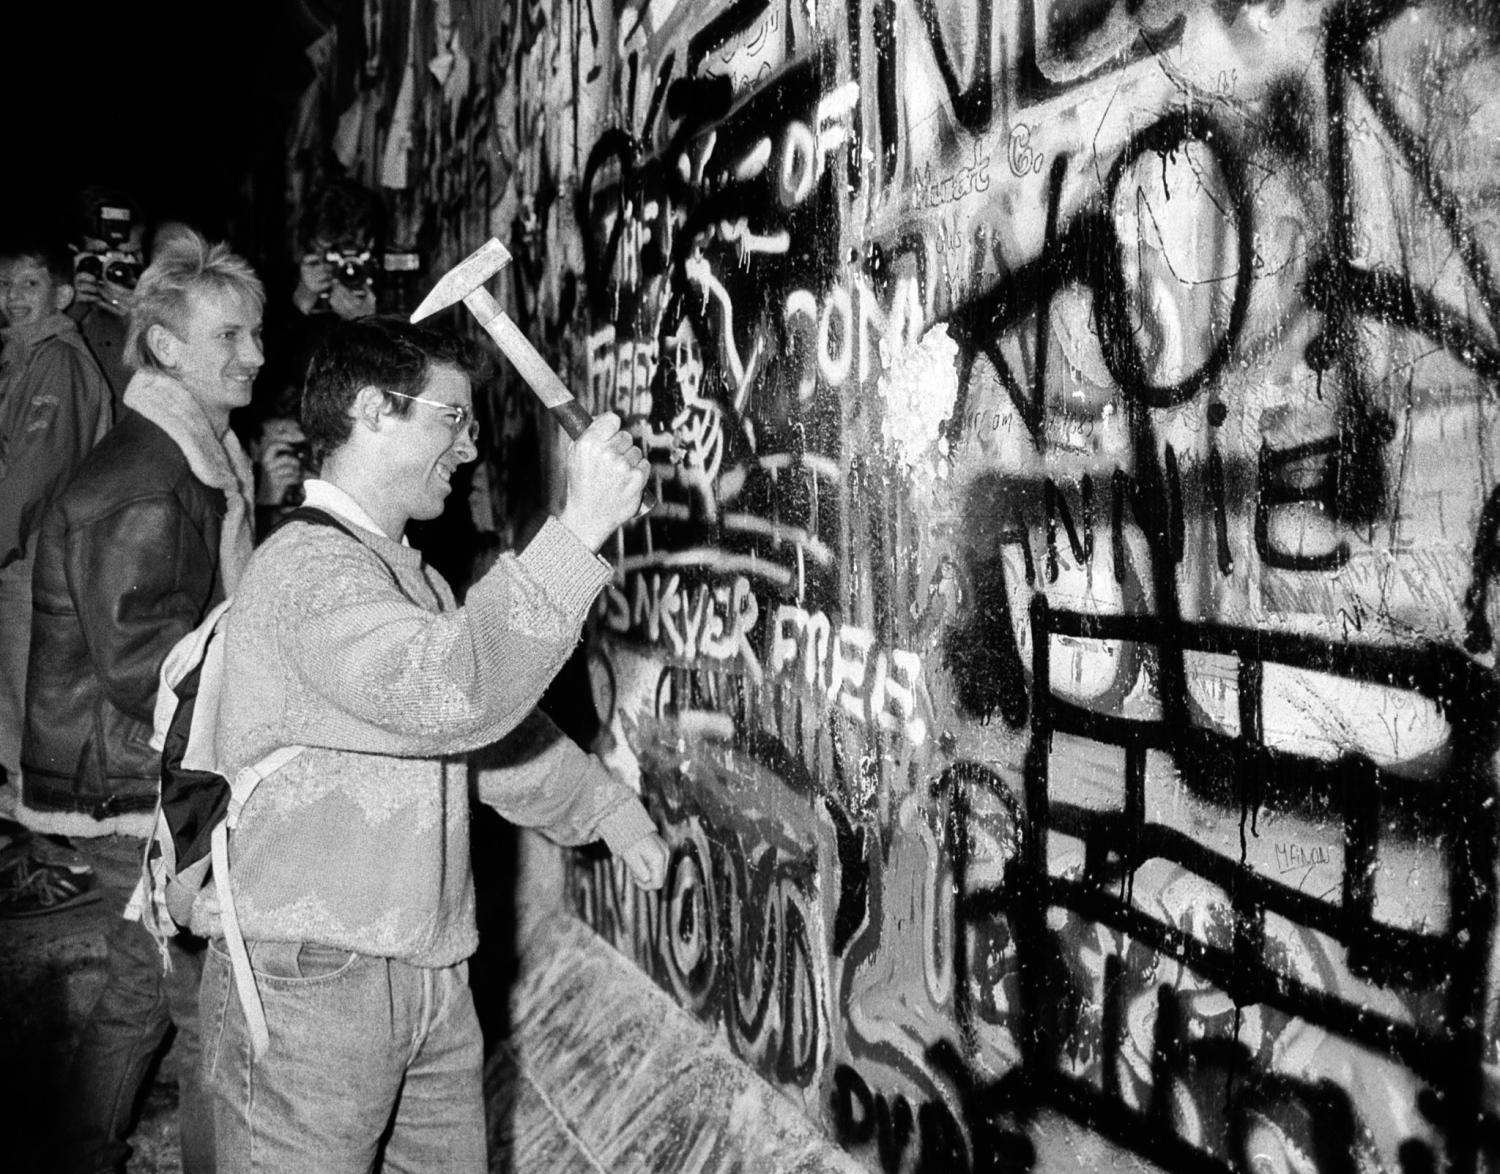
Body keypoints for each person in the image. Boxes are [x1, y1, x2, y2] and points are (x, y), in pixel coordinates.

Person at [200, 315, 668, 1172]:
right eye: (452, 419)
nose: (469, 449)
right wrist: (579, 530)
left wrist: (602, 807)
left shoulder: (408, 573)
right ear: (376, 410)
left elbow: (479, 739)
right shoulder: (306, 573)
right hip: (313, 986)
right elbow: (453, 693)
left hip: (429, 974)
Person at [20, 229, 265, 1173]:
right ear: (165, 348)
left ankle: (79, 1152)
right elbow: (144, 670)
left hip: (137, 769)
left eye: (254, 334)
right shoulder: (150, 480)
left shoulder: (184, 455)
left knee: (142, 983)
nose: (254, 355)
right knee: (206, 1003)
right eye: (231, 338)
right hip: (138, 780)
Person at [0, 232, 114, 907]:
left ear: (65, 294)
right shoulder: (24, 359)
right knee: (15, 714)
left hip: (36, 566)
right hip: (23, 564)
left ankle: (63, 864)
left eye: (28, 285)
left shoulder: (57, 364)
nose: (11, 298)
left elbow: (31, 479)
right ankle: (41, 849)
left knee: (33, 718)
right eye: (4, 285)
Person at [67, 189, 148, 413]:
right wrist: (70, 313)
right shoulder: (44, 298)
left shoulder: (163, 304)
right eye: (102, 254)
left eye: (127, 255)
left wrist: (142, 323)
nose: (114, 266)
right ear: (75, 253)